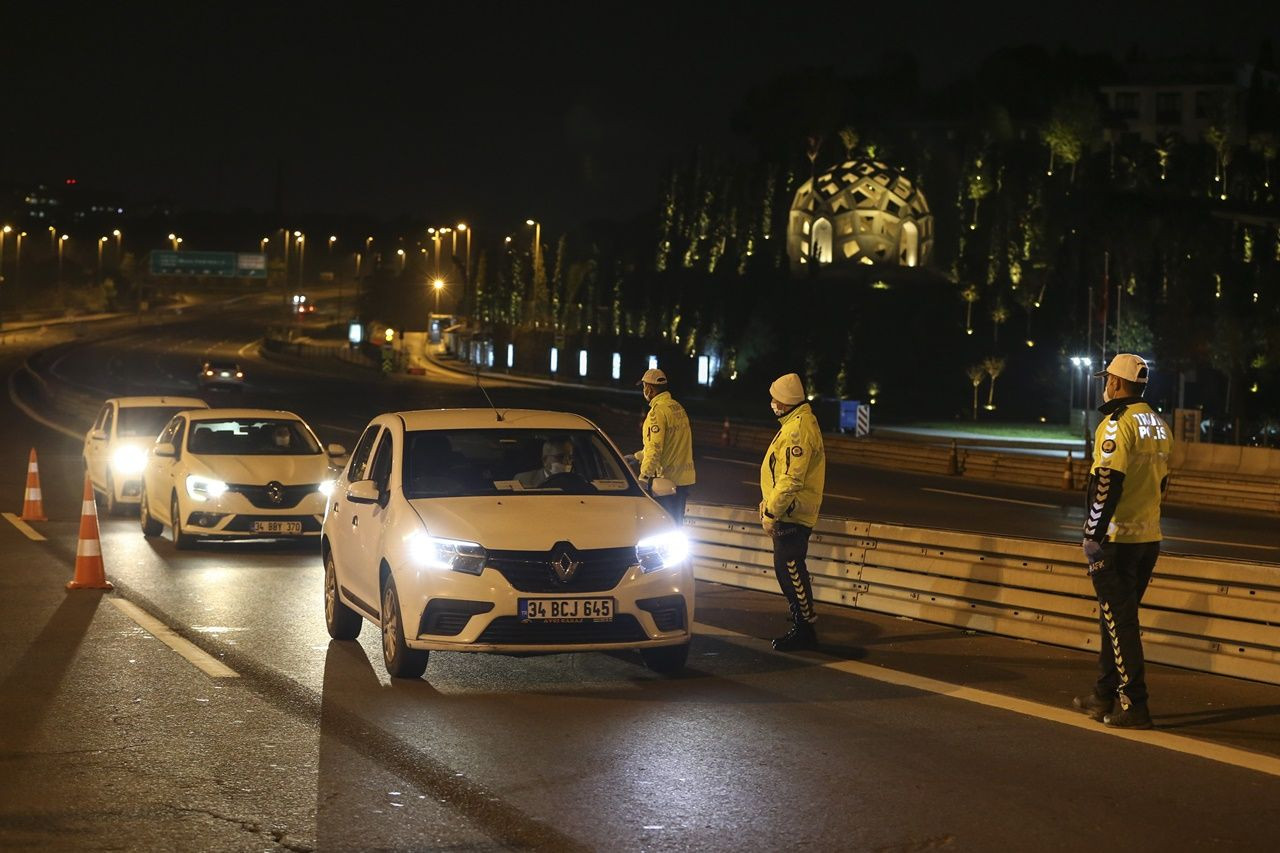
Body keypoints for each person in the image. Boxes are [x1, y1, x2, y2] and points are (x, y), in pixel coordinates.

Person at [1072, 353, 1171, 730]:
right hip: (1148, 538)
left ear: (1115, 383)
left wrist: (1091, 536)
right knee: (1113, 619)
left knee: (1121, 623)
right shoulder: (1160, 424)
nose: (1105, 384)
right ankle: (1103, 695)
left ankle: (1135, 705)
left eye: (1107, 378)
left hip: (1115, 539)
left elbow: (1105, 483)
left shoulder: (1116, 424)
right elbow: (1163, 484)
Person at [759, 372, 826, 651]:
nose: (772, 402)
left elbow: (791, 479)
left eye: (775, 398)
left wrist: (771, 513)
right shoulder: (794, 423)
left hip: (791, 513)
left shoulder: (797, 429)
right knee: (787, 568)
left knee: (790, 568)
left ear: (785, 401)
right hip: (788, 510)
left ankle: (805, 628)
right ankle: (802, 620)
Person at [626, 368, 696, 524]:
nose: (644, 390)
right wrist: (637, 457)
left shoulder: (657, 413)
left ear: (649, 389)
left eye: (644, 387)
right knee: (676, 527)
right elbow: (668, 444)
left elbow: (655, 449)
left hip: (665, 484)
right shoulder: (677, 408)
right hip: (683, 481)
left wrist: (643, 479)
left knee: (662, 529)